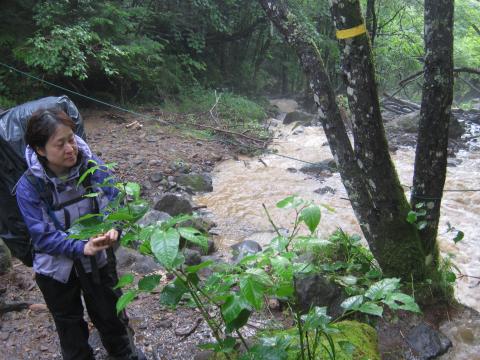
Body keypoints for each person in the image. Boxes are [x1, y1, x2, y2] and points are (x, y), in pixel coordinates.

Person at [15, 109, 144, 360]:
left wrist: (114, 228)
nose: (70, 148)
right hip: (56, 270)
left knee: (112, 316)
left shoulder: (93, 166)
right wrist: (81, 247)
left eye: (71, 139)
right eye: (60, 144)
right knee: (70, 329)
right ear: (40, 150)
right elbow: (42, 236)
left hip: (99, 259)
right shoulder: (29, 187)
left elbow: (116, 200)